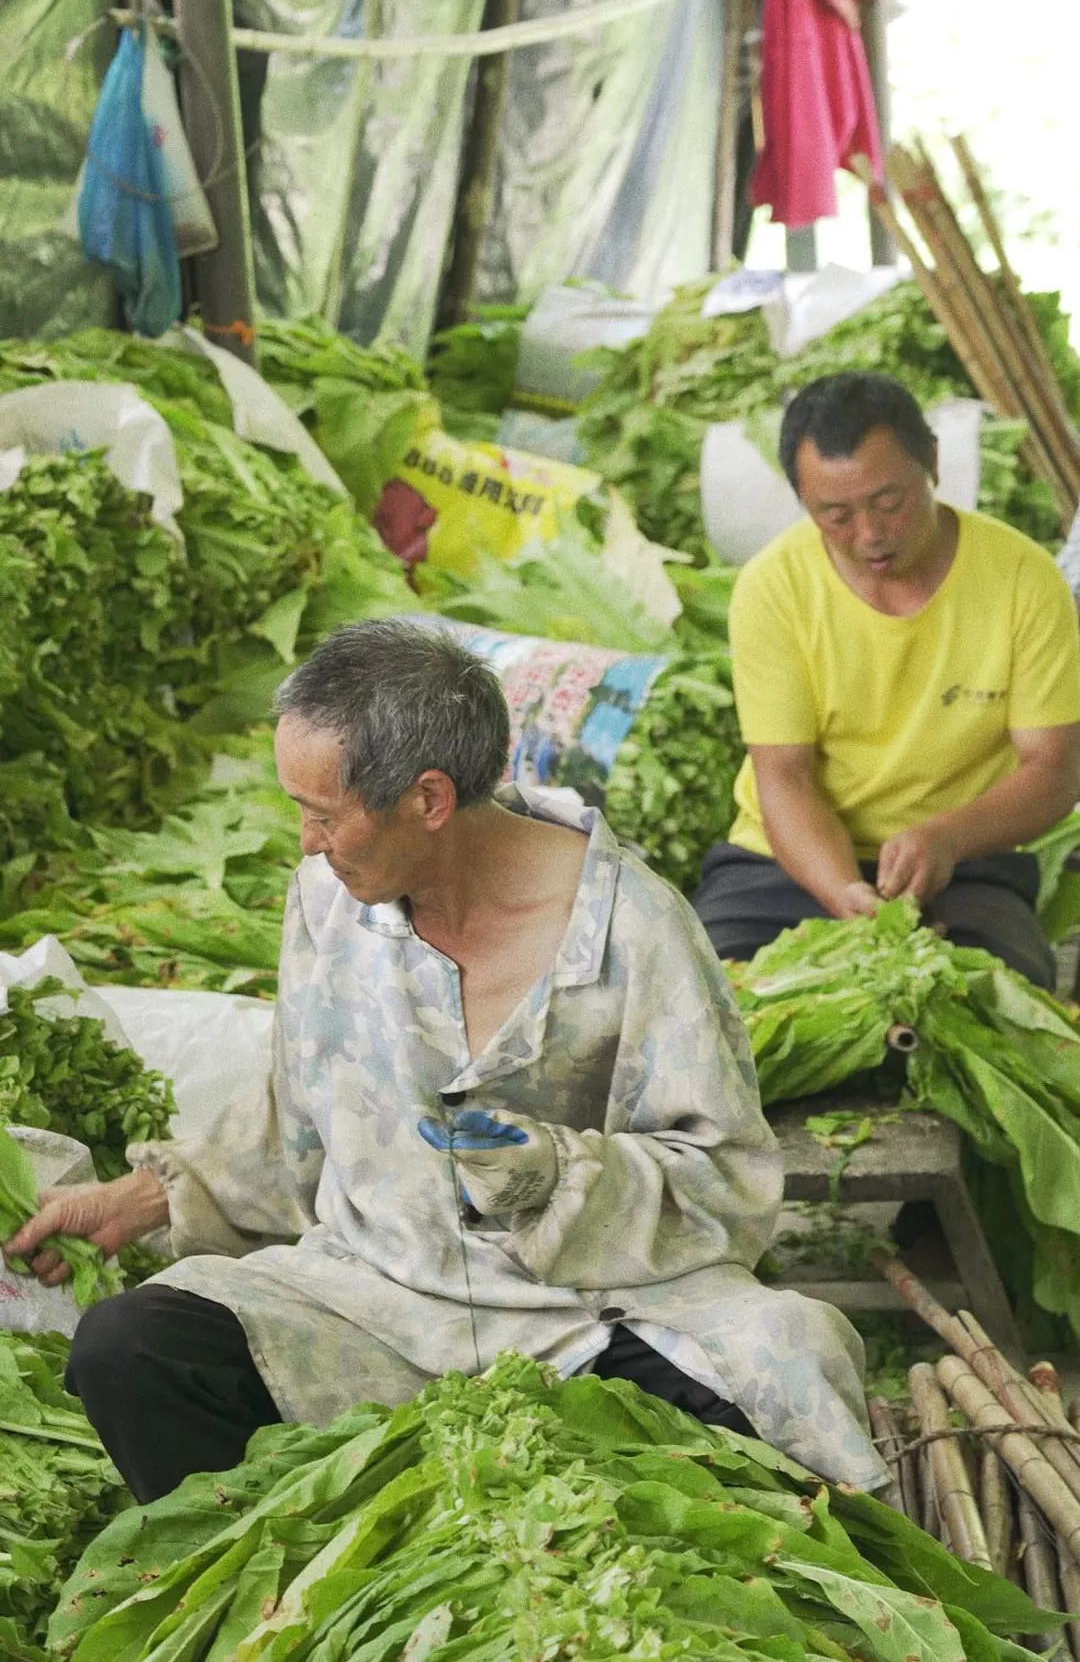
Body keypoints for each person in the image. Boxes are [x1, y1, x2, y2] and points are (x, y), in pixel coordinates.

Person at [4, 621, 887, 1503]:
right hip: (370, 1301)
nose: (308, 840)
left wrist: (555, 1173)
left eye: (323, 813)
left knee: (788, 1363)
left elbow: (724, 1180)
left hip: (581, 1316)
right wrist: (145, 1197)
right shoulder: (329, 901)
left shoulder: (632, 929)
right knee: (131, 1347)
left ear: (428, 798)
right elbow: (299, 1121)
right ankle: (280, 1595)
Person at [694, 371, 1080, 987]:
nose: (870, 535)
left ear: (932, 460)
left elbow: (1054, 771)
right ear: (801, 500)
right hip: (787, 864)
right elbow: (783, 775)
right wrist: (845, 892)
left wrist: (947, 838)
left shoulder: (1024, 581)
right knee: (709, 999)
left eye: (890, 502)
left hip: (966, 863)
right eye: (836, 515)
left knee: (987, 1007)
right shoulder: (772, 588)